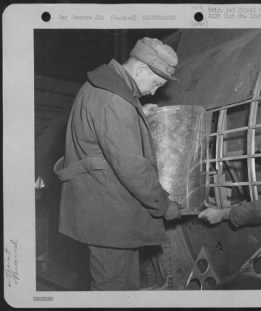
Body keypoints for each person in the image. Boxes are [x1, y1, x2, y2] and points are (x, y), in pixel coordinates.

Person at [54, 37, 183, 290]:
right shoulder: (115, 100)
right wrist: (164, 205)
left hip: (105, 212)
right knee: (113, 288)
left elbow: (103, 133)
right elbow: (132, 167)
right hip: (109, 214)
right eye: (156, 83)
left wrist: (137, 116)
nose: (155, 91)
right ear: (142, 69)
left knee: (123, 287)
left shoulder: (102, 88)